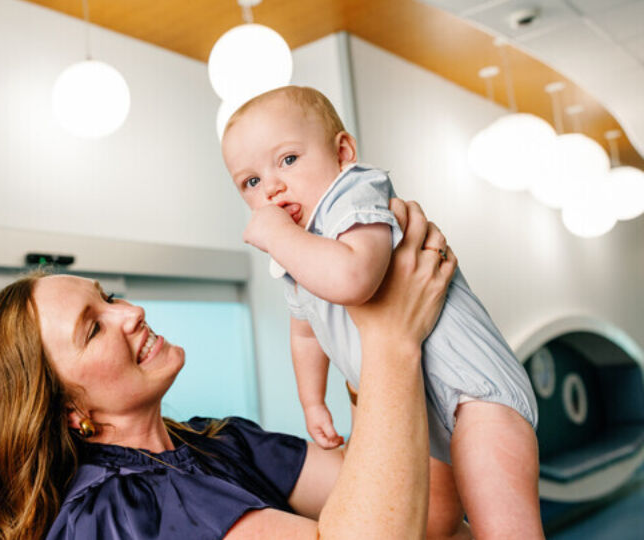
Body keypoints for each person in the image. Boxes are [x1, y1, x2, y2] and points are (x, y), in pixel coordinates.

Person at [0, 199, 455, 539]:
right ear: (67, 410)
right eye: (94, 328)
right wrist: (389, 340)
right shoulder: (118, 512)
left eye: (106, 297)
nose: (130, 313)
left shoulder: (219, 442)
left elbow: (430, 508)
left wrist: (362, 354)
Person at [220, 85, 542, 539]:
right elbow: (306, 335)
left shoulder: (353, 196)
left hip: (477, 398)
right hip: (416, 408)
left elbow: (355, 279)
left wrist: (277, 237)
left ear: (343, 152)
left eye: (288, 160)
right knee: (435, 526)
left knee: (504, 529)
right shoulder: (300, 251)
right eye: (250, 182)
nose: (271, 188)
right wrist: (312, 401)